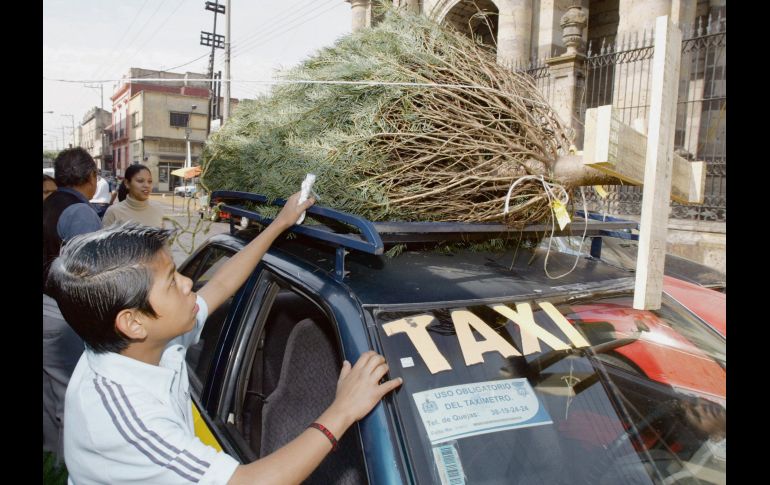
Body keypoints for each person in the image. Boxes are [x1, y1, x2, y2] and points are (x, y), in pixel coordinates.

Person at [46, 194, 403, 484]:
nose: (188, 283)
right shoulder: (127, 421)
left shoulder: (148, 343)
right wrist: (343, 410)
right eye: (171, 281)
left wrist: (278, 223)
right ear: (133, 322)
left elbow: (220, 284)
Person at [42, 147, 102, 463]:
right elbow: (90, 274)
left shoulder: (50, 202)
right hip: (59, 314)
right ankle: (69, 467)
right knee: (71, 395)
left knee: (49, 388)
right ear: (91, 177)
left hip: (45, 310)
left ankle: (51, 455)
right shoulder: (79, 213)